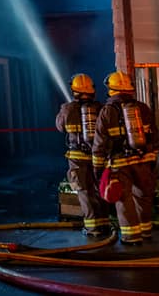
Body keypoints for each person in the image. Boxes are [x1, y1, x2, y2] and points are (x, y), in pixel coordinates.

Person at [91, 70, 159, 245]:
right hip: (143, 160)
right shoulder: (143, 108)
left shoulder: (107, 111)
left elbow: (99, 143)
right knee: (143, 197)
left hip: (120, 163)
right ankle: (146, 233)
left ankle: (131, 237)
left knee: (124, 199)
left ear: (111, 90)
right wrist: (152, 159)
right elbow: (154, 136)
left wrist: (98, 169)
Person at [55, 73, 109, 237]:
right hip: (98, 155)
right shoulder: (100, 108)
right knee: (99, 189)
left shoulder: (68, 108)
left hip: (77, 157)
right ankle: (105, 224)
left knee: (84, 191)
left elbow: (60, 127)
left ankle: (92, 228)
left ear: (74, 90)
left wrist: (64, 109)